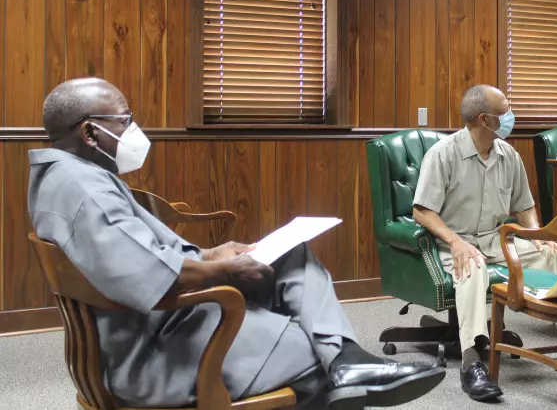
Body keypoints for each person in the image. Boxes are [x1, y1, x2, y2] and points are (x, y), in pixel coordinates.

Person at [28, 78, 445, 410]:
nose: (133, 129)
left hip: (162, 322)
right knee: (312, 351)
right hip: (155, 350)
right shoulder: (83, 191)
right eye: (124, 119)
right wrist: (224, 269)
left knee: (293, 256)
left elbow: (135, 256)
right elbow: (152, 275)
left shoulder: (72, 175)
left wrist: (211, 254)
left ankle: (348, 361)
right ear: (89, 131)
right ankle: (338, 363)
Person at [413, 85, 557, 402]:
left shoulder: (509, 155)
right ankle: (471, 362)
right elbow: (422, 211)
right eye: (505, 110)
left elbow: (525, 207)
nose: (511, 116)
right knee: (472, 266)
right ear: (485, 119)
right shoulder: (443, 154)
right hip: (456, 241)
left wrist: (538, 235)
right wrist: (455, 242)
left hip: (496, 237)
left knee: (548, 254)